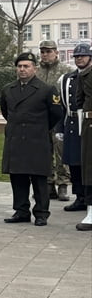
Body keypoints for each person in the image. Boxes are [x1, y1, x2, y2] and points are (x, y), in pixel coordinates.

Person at [0, 51, 64, 226]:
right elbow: (6, 111)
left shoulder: (46, 90)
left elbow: (56, 114)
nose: (22, 70)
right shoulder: (8, 89)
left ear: (34, 68)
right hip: (15, 139)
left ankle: (41, 213)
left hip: (37, 139)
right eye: (19, 66)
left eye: (26, 66)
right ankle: (21, 211)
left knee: (39, 179)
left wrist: (40, 128)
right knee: (18, 177)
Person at [36, 41, 73, 201]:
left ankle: (63, 184)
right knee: (43, 152)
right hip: (42, 118)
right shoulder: (36, 71)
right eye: (43, 51)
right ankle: (48, 184)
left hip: (60, 117)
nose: (45, 54)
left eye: (48, 51)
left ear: (56, 52)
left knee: (61, 151)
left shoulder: (66, 71)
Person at [58, 44, 91, 213]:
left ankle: (88, 196)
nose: (79, 58)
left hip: (87, 122)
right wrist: (59, 128)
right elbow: (62, 106)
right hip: (72, 122)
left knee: (88, 163)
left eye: (83, 56)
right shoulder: (67, 78)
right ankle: (80, 197)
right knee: (74, 163)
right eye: (77, 56)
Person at [75, 59, 92, 231]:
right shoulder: (85, 75)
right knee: (89, 168)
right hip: (90, 124)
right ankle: (91, 211)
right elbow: (79, 102)